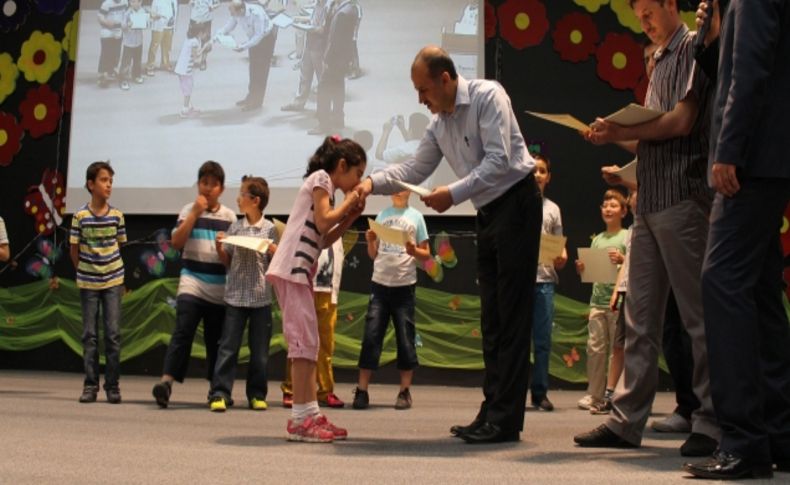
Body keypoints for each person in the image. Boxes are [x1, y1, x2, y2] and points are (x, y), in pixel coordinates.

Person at [356, 45, 541, 444]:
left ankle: (506, 419)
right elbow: (413, 168)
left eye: (423, 89)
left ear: (445, 78)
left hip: (517, 204)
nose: (419, 99)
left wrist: (452, 194)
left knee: (511, 315)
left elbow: (500, 160)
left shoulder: (489, 96)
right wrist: (371, 183)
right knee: (492, 317)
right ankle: (492, 410)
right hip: (489, 212)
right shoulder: (439, 125)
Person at [574, 0, 720, 457]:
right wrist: (611, 132)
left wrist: (621, 132)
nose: (645, 21)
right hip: (650, 201)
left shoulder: (693, 48)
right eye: (637, 15)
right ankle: (625, 420)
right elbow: (653, 131)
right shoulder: (657, 58)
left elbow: (682, 121)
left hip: (683, 197)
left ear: (670, 5)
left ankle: (711, 421)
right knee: (638, 318)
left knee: (698, 318)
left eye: (650, 11)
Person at [684, 0, 790, 479]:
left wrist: (728, 150)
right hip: (769, 158)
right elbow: (735, 64)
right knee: (761, 292)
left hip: (750, 159)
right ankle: (779, 434)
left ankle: (744, 441)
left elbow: (749, 70)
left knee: (722, 283)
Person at [266, 136, 366, 443]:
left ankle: (309, 413)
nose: (358, 182)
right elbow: (324, 223)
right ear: (341, 166)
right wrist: (348, 204)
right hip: (292, 270)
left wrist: (350, 217)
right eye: (357, 175)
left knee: (309, 344)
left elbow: (323, 238)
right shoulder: (321, 178)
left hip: (300, 272)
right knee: (302, 346)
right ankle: (299, 419)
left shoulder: (326, 187)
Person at [152, 161, 237, 408]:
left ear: (221, 188)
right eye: (204, 182)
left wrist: (223, 248)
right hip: (192, 282)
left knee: (216, 340)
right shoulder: (187, 209)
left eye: (214, 184)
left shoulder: (230, 216)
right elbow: (176, 243)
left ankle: (216, 389)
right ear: (198, 185)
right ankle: (166, 383)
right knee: (182, 331)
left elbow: (230, 260)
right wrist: (194, 214)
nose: (208, 188)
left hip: (220, 286)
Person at [352, 190, 430, 410]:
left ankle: (404, 392)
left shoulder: (416, 216)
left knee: (406, 339)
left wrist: (413, 250)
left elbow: (426, 253)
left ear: (409, 191)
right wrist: (370, 241)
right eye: (393, 188)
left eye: (402, 188)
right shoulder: (382, 215)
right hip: (379, 284)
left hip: (404, 287)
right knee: (371, 336)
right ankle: (362, 390)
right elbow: (373, 254)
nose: (398, 192)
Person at [208, 176, 277, 412]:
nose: (238, 199)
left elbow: (275, 263)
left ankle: (257, 394)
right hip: (235, 296)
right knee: (228, 347)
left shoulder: (269, 229)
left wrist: (274, 250)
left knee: (260, 352)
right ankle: (220, 392)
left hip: (260, 298)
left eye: (242, 195)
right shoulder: (235, 227)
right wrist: (220, 247)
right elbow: (227, 261)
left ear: (255, 201)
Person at [69, 161, 127, 404]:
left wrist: (110, 271)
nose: (109, 185)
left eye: (111, 181)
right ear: (91, 184)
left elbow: (120, 245)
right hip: (88, 282)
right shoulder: (80, 216)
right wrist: (84, 271)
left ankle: (112, 386)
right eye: (104, 180)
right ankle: (90, 385)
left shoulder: (117, 216)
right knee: (90, 335)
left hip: (113, 279)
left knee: (112, 335)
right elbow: (74, 250)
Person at [575, 190, 628, 412]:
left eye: (614, 205)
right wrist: (582, 269)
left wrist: (623, 258)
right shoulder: (597, 239)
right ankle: (594, 394)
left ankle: (614, 393)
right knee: (595, 349)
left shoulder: (626, 236)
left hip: (617, 302)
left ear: (624, 211)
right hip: (597, 301)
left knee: (617, 350)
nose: (608, 208)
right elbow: (591, 274)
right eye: (605, 205)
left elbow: (632, 265)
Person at [281, 238, 347, 409]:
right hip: (305, 288)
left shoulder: (337, 232)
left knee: (326, 345)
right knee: (298, 342)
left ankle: (325, 391)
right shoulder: (305, 224)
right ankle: (290, 390)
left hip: (327, 291)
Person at [529, 154, 567, 412]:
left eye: (542, 171)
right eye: (533, 170)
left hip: (544, 282)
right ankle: (511, 394)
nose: (537, 175)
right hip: (520, 282)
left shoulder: (553, 209)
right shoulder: (517, 205)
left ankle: (540, 393)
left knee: (542, 341)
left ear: (548, 177)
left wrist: (562, 256)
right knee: (517, 341)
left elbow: (559, 246)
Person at [217, 0, 277, 112]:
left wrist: (243, 46)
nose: (231, 14)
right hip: (253, 38)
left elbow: (259, 35)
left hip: (266, 39)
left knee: (261, 71)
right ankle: (250, 96)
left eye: (232, 12)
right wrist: (219, 34)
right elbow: (229, 25)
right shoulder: (237, 12)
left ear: (241, 10)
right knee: (253, 68)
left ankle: (257, 101)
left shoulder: (256, 13)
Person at [309, 0, 358, 134]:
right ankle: (338, 118)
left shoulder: (342, 13)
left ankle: (323, 123)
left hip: (335, 58)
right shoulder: (350, 8)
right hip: (343, 58)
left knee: (323, 90)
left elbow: (335, 40)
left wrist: (326, 59)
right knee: (338, 88)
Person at [280, 0, 331, 112]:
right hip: (310, 43)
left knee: (321, 77)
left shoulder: (328, 7)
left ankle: (324, 109)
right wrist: (295, 20)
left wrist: (307, 28)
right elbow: (312, 20)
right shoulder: (317, 5)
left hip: (319, 46)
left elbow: (323, 29)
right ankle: (298, 102)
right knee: (304, 74)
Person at [174, 23, 212, 118]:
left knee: (186, 87)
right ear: (200, 33)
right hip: (185, 70)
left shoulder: (191, 39)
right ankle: (185, 110)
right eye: (205, 33)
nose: (206, 35)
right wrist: (205, 47)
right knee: (188, 89)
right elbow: (196, 56)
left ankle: (189, 107)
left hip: (182, 68)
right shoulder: (194, 42)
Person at [118, 0, 146, 91]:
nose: (136, 4)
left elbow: (145, 23)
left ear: (141, 2)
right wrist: (128, 25)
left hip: (139, 42)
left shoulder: (142, 11)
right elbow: (122, 26)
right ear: (130, 3)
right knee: (126, 62)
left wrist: (146, 22)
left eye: (138, 1)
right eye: (133, 1)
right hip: (129, 43)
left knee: (137, 61)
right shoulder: (127, 13)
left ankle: (136, 75)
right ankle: (123, 79)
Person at [97, 0, 127, 86]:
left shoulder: (125, 2)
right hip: (107, 32)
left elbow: (127, 14)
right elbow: (100, 17)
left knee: (116, 53)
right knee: (106, 53)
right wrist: (106, 22)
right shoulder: (106, 4)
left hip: (118, 32)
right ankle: (101, 74)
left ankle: (111, 70)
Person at [145, 0, 177, 75]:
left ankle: (165, 63)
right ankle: (150, 65)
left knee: (167, 46)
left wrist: (174, 27)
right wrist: (154, 18)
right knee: (154, 46)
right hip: (158, 26)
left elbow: (175, 12)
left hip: (169, 25)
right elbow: (153, 14)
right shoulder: (156, 1)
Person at [188, 0, 219, 70]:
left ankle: (203, 61)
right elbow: (189, 2)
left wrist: (213, 6)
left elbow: (218, 3)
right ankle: (191, 59)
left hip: (206, 19)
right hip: (194, 18)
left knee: (205, 40)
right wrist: (191, 2)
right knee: (192, 40)